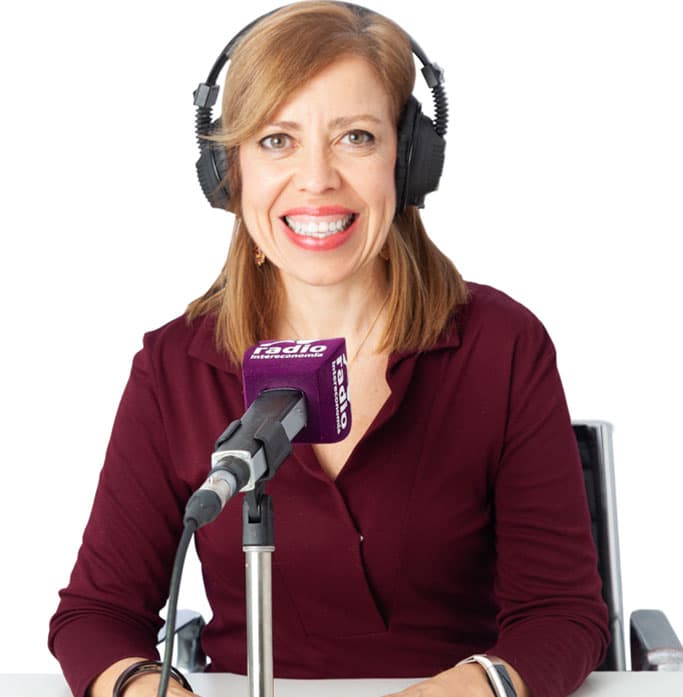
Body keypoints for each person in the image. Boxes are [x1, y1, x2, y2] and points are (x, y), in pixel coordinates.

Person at [48, 3, 609, 697]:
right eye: (276, 140)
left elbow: (561, 614)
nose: (316, 178)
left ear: (409, 161)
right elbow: (96, 615)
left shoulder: (501, 345)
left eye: (355, 137)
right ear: (229, 173)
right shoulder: (174, 366)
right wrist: (143, 689)